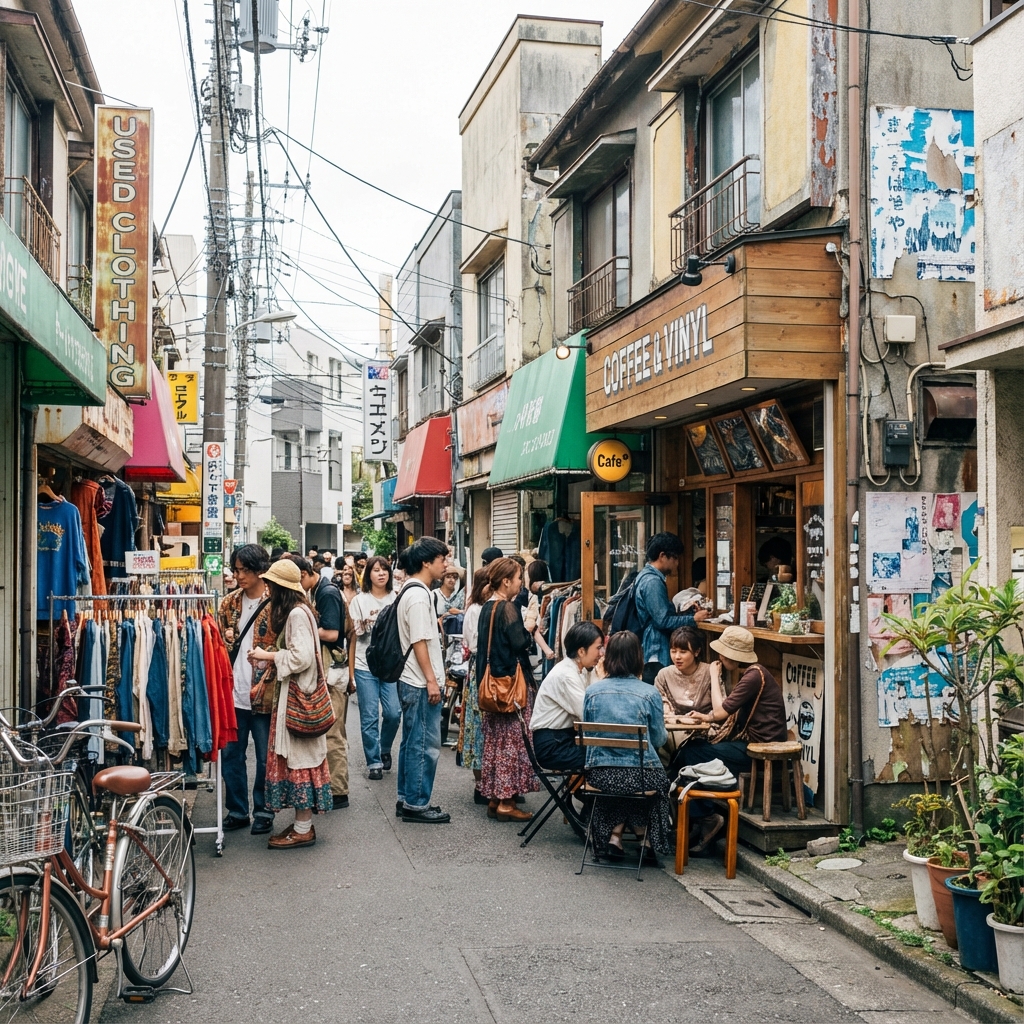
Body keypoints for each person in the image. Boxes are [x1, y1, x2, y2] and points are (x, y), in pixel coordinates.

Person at [675, 625, 788, 854]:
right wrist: (705, 716)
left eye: (723, 653)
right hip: (751, 745)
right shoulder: (755, 673)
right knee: (692, 749)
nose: (719, 657)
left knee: (690, 753)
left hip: (757, 750)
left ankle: (705, 817)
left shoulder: (753, 677)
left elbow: (719, 712)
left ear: (730, 655)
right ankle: (701, 818)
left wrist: (714, 678)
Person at [247, 559, 332, 848]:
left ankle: (303, 828)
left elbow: (301, 658)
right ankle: (300, 824)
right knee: (302, 761)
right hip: (300, 693)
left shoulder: (296, 614)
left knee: (299, 763)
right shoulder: (303, 609)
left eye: (271, 584)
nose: (268, 589)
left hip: (297, 697)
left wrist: (268, 655)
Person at [582, 631, 674, 864]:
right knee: (651, 782)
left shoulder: (592, 693)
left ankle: (615, 837)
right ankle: (646, 839)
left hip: (600, 775)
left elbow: (591, 733)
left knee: (620, 786)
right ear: (638, 657)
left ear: (608, 656)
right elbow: (659, 739)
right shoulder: (649, 693)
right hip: (640, 777)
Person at [218, 544, 276, 835]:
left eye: (245, 570)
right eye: (236, 569)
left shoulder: (276, 602)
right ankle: (238, 810)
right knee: (231, 755)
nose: (239, 575)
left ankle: (264, 809)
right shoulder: (228, 604)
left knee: (266, 756)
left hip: (265, 692)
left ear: (259, 569)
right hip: (233, 692)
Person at [476, 556, 540, 822]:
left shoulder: (486, 608)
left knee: (496, 744)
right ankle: (506, 801)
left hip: (491, 687)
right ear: (506, 581)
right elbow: (521, 643)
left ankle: (495, 797)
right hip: (510, 688)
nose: (520, 584)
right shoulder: (508, 608)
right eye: (517, 579)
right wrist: (530, 626)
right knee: (513, 744)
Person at [395, 537, 451, 823]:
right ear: (426, 562)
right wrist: (432, 680)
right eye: (442, 559)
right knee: (424, 745)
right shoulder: (418, 596)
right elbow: (419, 641)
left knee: (411, 741)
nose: (446, 564)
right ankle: (417, 803)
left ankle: (406, 797)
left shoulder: (412, 591)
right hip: (418, 681)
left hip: (412, 680)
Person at [294, 555, 351, 809]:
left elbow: (332, 633)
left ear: (306, 574)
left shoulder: (326, 592)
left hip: (332, 668)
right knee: (330, 729)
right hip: (331, 667)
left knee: (333, 731)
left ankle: (338, 791)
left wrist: (303, 626)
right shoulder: (320, 590)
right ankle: (332, 787)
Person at [349, 556, 400, 780]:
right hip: (364, 665)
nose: (381, 574)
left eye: (385, 570)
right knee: (369, 716)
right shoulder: (359, 601)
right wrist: (351, 674)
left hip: (391, 666)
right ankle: (374, 762)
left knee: (393, 713)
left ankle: (385, 747)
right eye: (376, 570)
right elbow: (353, 639)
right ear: (367, 574)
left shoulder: (397, 598)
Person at [634, 532, 709, 685]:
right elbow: (662, 621)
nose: (677, 563)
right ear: (662, 556)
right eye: (675, 558)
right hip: (656, 648)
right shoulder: (652, 582)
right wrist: (693, 619)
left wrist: (685, 613)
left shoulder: (646, 577)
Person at [531, 621, 603, 770]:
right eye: (598, 648)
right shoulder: (566, 675)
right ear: (581, 651)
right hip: (553, 747)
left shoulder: (577, 670)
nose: (601, 653)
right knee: (606, 756)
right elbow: (589, 714)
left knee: (605, 752)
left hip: (562, 739)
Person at [458, 567, 491, 802]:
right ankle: (480, 785)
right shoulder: (475, 610)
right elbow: (473, 643)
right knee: (477, 727)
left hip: (492, 668)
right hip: (480, 669)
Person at [655, 626, 712, 717]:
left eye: (683, 652)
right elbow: (658, 704)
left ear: (696, 652)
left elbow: (720, 707)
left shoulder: (710, 672)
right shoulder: (664, 675)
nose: (677, 657)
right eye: (673, 651)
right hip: (673, 726)